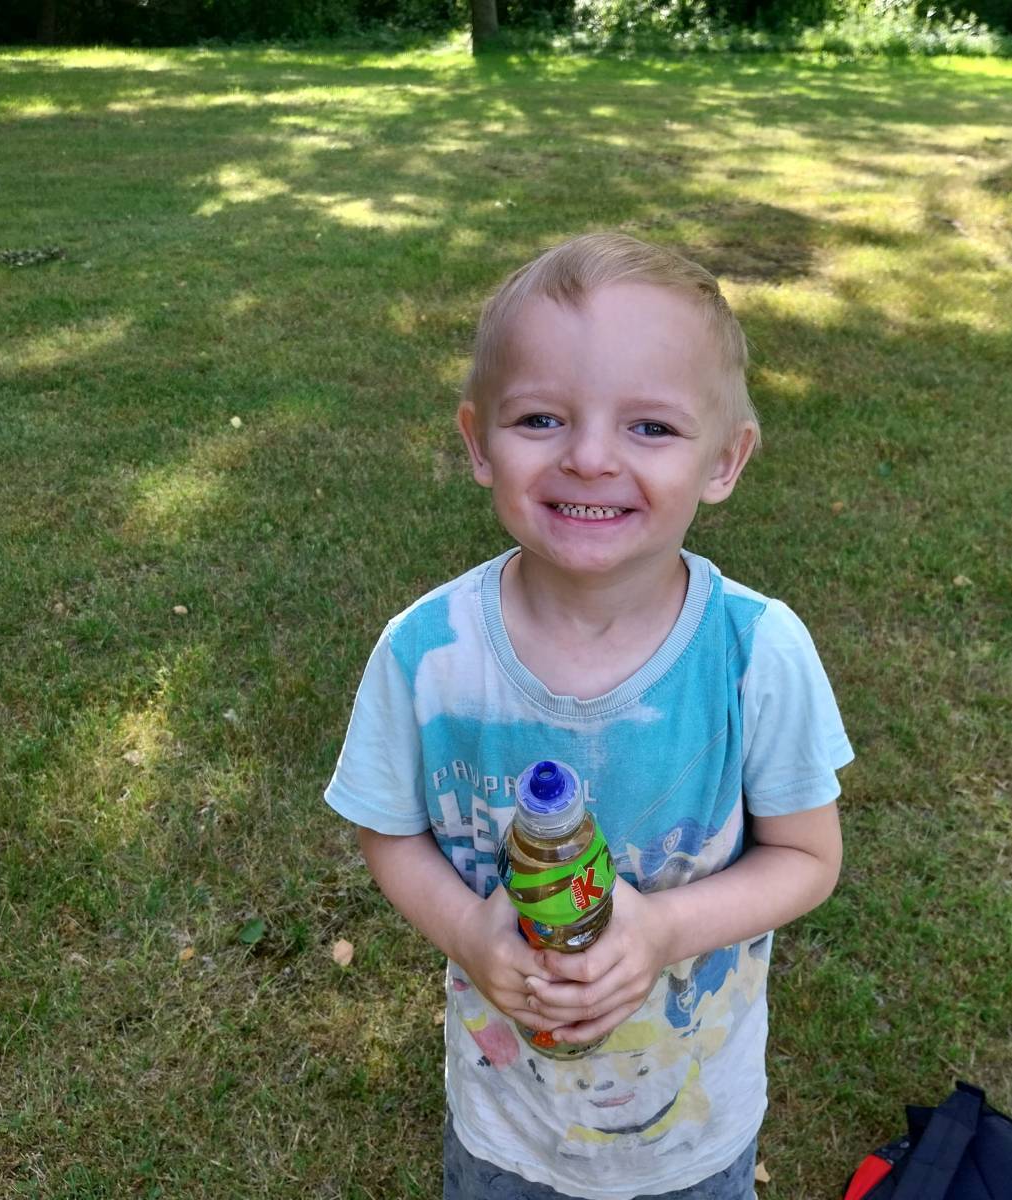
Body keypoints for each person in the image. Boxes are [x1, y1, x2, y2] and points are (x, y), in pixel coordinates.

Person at [324, 232, 853, 1200]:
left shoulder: (755, 655)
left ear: (725, 460)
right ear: (478, 442)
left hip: (693, 1130)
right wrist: (469, 933)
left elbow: (809, 858)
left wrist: (663, 931)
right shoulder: (428, 654)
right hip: (505, 1128)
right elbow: (388, 830)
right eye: (541, 418)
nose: (590, 457)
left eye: (650, 427)